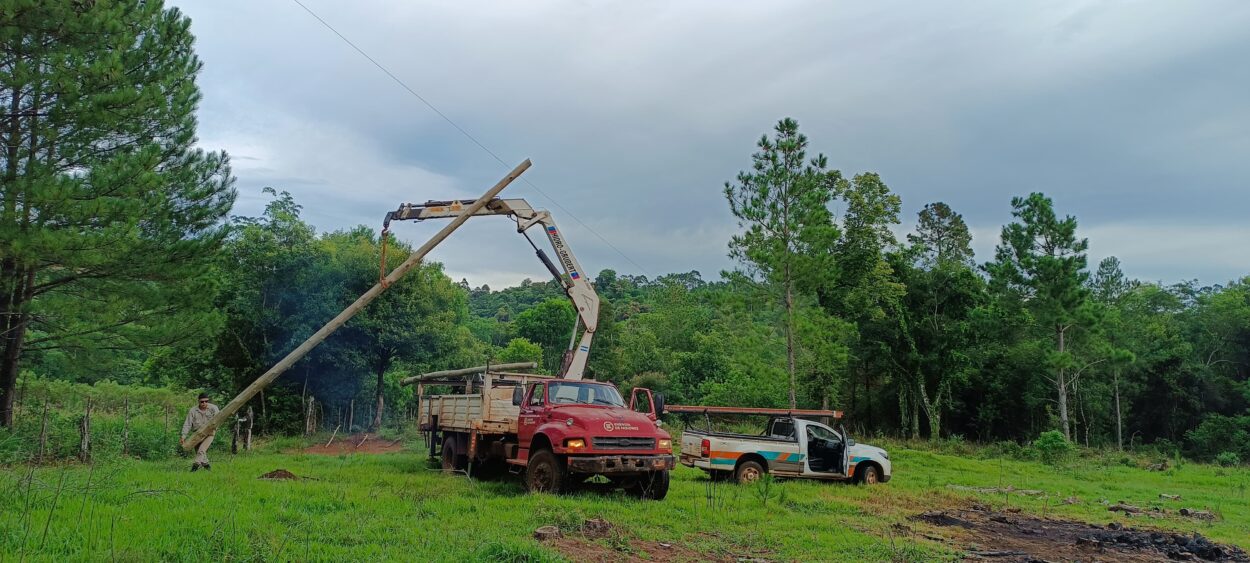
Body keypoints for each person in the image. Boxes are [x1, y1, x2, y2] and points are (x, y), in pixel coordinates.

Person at [180, 393, 220, 472]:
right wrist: (183, 436)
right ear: (198, 401)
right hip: (197, 434)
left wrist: (215, 428)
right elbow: (187, 423)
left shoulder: (214, 408)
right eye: (202, 402)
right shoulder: (193, 410)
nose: (204, 403)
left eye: (206, 401)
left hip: (210, 433)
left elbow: (219, 419)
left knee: (201, 450)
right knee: (201, 454)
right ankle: (209, 470)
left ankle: (193, 470)